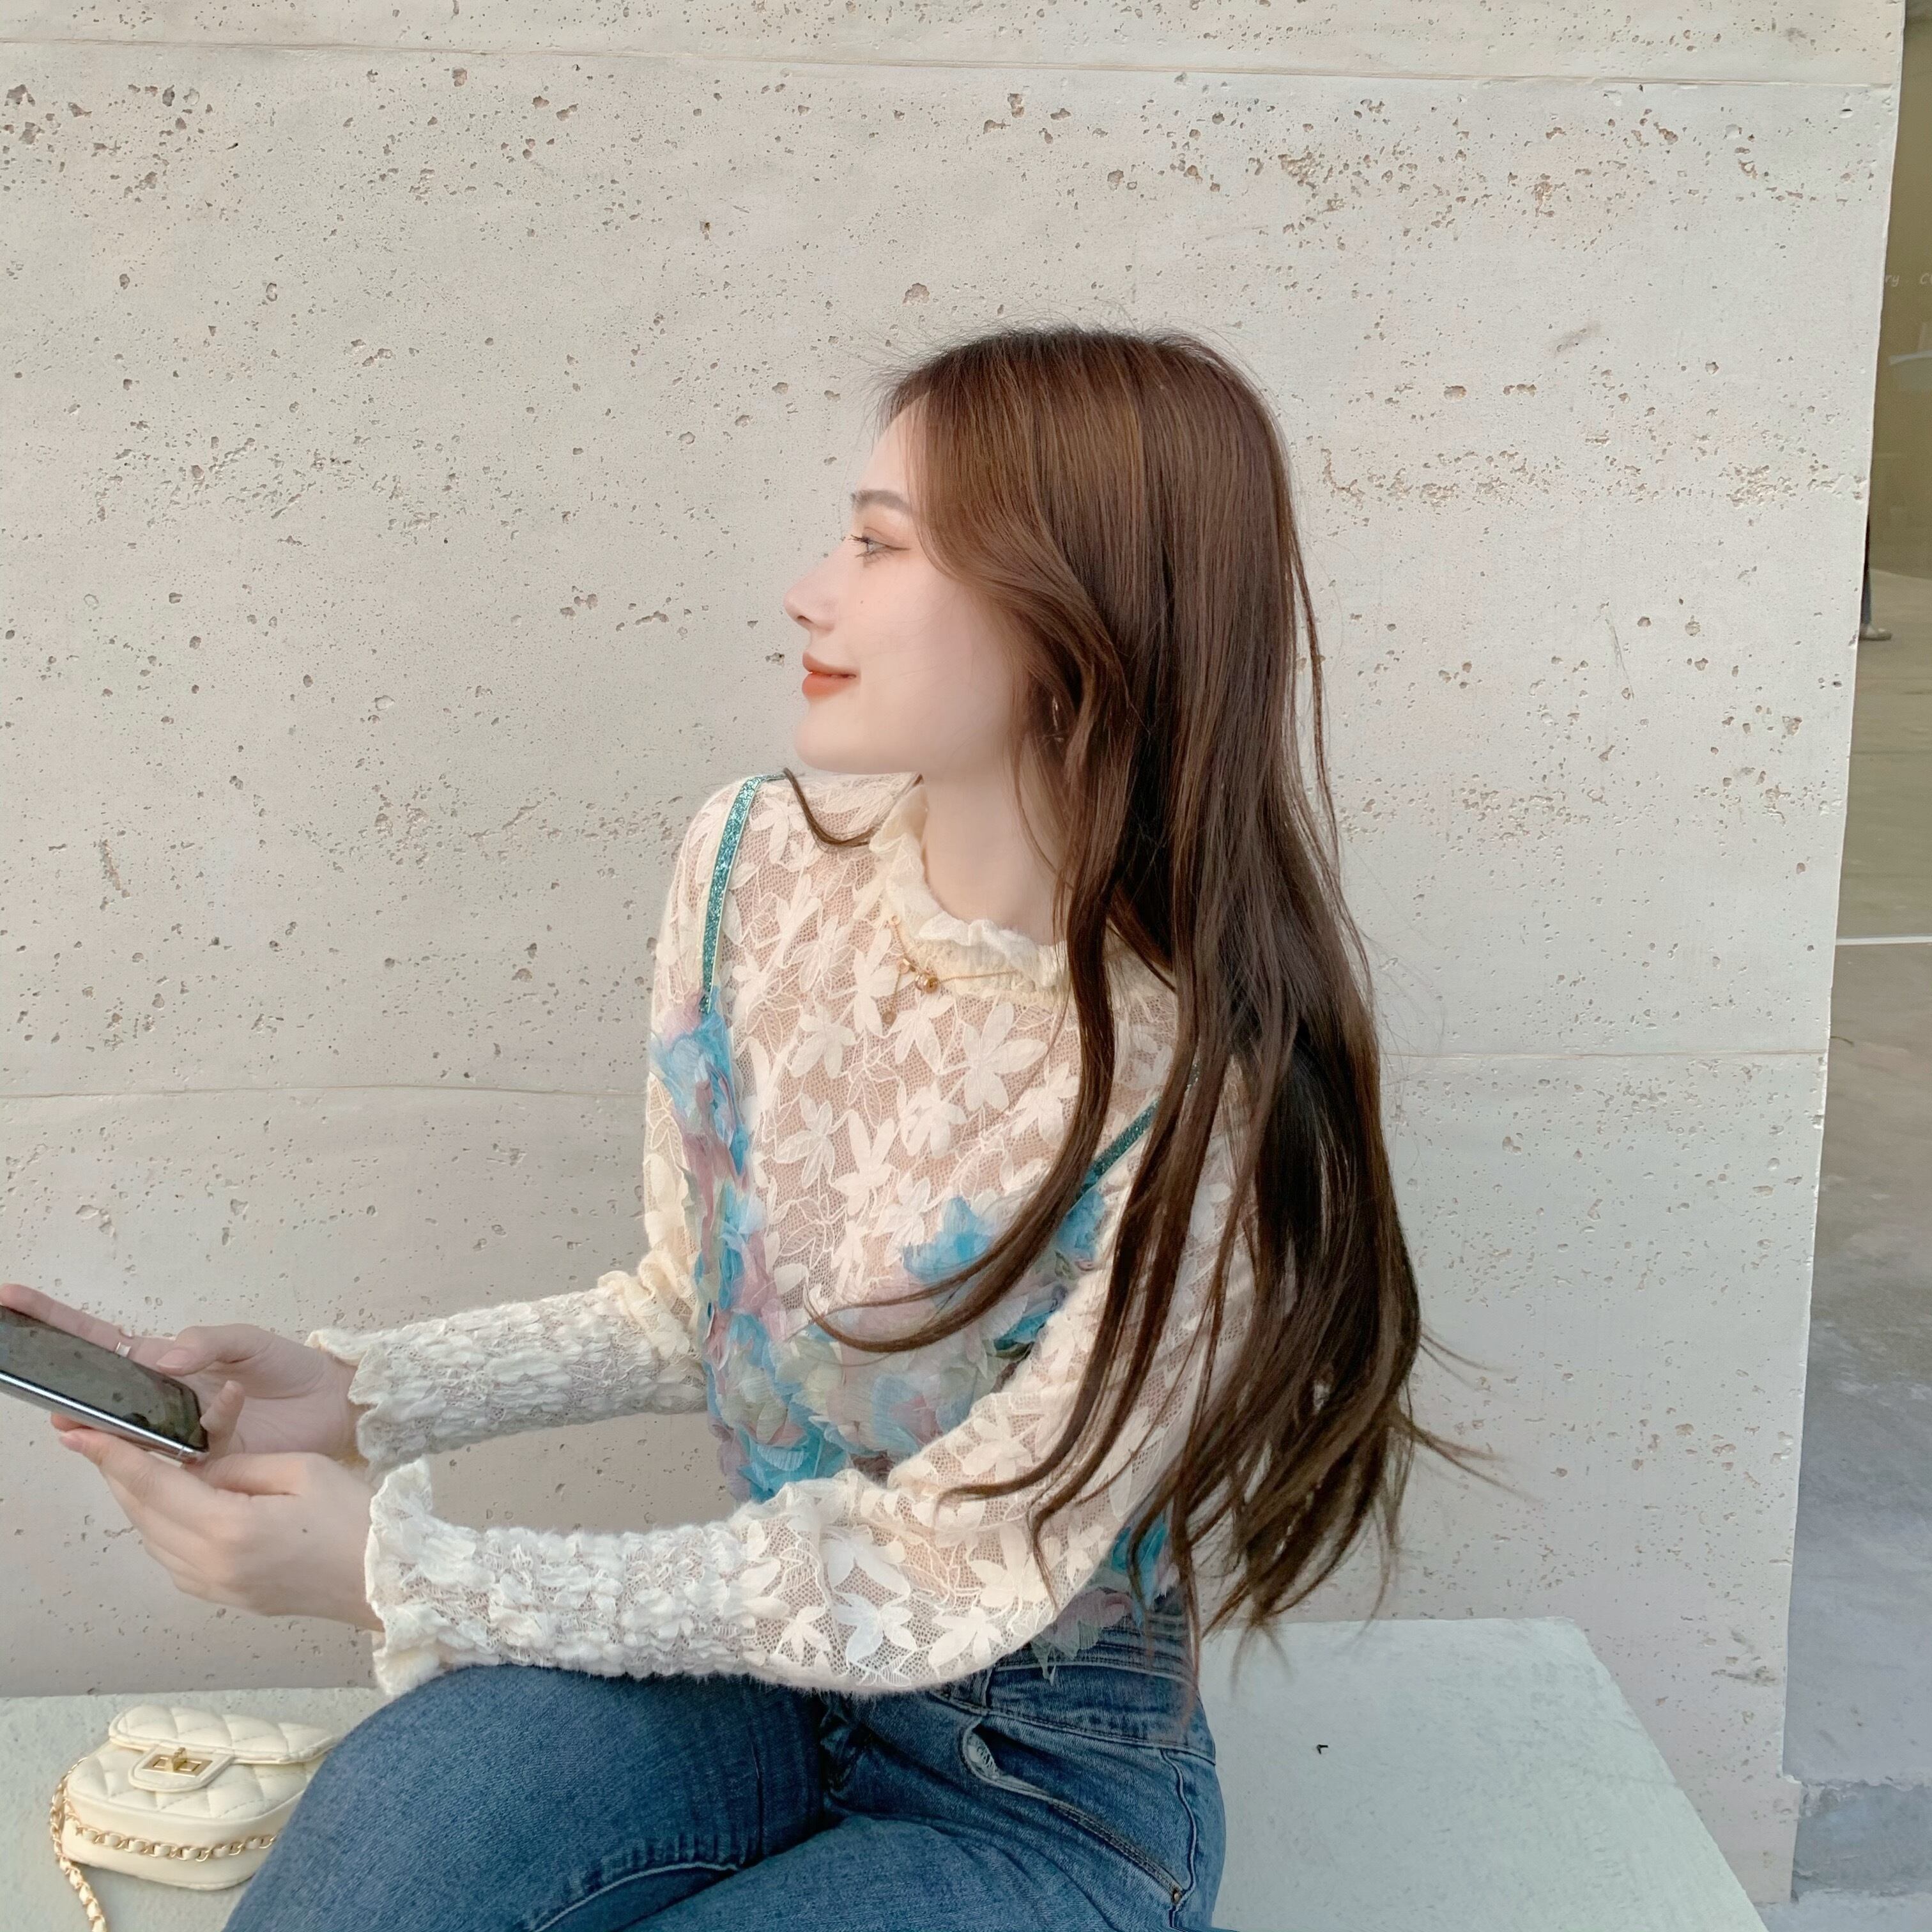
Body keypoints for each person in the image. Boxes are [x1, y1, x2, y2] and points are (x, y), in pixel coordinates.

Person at [11, 322, 1491, 1931]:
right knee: (366, 1864)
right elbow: (690, 1305)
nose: (809, 592)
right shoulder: (751, 867)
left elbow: (928, 1577)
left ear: (1080, 612)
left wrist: (404, 1573)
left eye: (881, 546)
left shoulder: (1212, 1095)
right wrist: (362, 1396)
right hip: (745, 1665)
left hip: (1037, 1776)